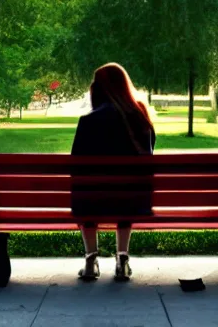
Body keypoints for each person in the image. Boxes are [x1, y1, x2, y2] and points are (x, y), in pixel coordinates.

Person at [71, 63, 156, 281]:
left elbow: (76, 166)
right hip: (133, 203)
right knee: (129, 186)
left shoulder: (88, 122)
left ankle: (91, 260)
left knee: (85, 188)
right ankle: (122, 259)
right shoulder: (140, 119)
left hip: (92, 201)